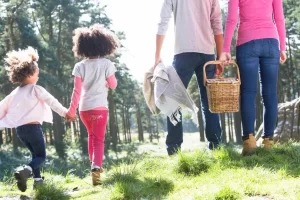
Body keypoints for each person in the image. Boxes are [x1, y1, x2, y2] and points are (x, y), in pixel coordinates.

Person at [154, 0, 223, 155]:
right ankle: (216, 147)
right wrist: (219, 55)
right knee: (209, 101)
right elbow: (217, 22)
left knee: (173, 101)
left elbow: (163, 21)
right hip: (207, 53)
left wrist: (157, 55)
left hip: (183, 53)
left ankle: (173, 149)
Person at [0, 47, 72, 192]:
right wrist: (65, 113)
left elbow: (2, 107)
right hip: (33, 129)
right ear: (29, 74)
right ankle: (25, 171)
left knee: (34, 155)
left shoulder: (14, 93)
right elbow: (53, 102)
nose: (38, 76)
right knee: (41, 156)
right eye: (37, 73)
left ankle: (38, 182)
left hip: (20, 131)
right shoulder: (36, 89)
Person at [220, 0, 287, 155]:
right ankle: (268, 141)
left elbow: (231, 18)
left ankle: (249, 142)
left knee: (248, 93)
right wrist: (282, 46)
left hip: (247, 42)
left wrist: (225, 49)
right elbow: (279, 17)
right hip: (271, 42)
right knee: (270, 94)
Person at [66, 24, 119, 185]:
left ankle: (94, 166)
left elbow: (76, 91)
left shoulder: (79, 66)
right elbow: (114, 84)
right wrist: (107, 83)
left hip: (84, 110)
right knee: (98, 140)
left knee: (92, 137)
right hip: (100, 109)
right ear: (104, 45)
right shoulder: (106, 64)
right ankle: (96, 167)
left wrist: (71, 111)